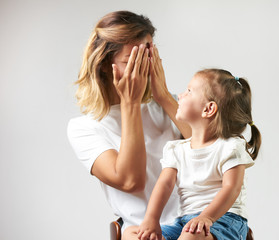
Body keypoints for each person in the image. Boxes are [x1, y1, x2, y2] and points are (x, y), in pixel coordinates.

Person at [67, 10, 191, 237]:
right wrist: (130, 103)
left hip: (194, 225)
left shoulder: (170, 105)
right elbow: (131, 181)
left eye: (148, 58)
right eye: (131, 61)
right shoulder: (84, 128)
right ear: (105, 64)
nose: (143, 69)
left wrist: (163, 95)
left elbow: (213, 148)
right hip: (142, 231)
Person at [135, 68, 262, 240]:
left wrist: (207, 217)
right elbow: (164, 184)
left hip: (225, 220)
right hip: (185, 222)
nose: (180, 95)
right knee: (133, 234)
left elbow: (232, 187)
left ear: (208, 109)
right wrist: (151, 219)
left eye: (189, 91)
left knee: (190, 235)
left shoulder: (230, 147)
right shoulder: (177, 149)